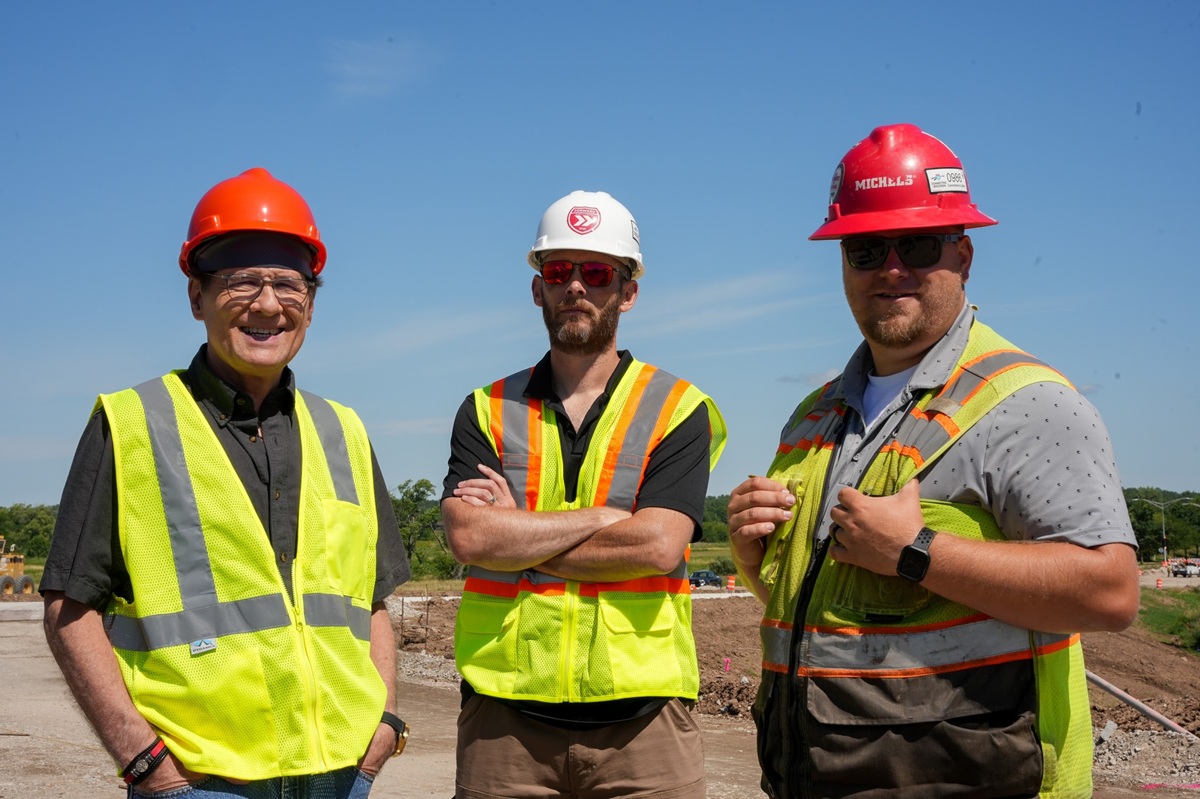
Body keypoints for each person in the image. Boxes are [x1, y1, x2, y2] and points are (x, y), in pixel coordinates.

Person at [727, 124, 1140, 799]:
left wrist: (915, 550)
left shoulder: (1028, 404)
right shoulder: (812, 417)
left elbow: (1112, 591)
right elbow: (829, 616)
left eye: (917, 246)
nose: (890, 269)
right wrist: (752, 556)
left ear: (964, 255)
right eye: (864, 249)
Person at [40, 167, 412, 798]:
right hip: (200, 781)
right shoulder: (132, 423)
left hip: (342, 775)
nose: (268, 304)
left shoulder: (342, 429)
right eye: (242, 281)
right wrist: (142, 760)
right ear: (196, 297)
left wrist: (383, 729)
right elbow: (69, 607)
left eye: (289, 284)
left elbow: (371, 599)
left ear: (312, 304)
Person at [442, 190, 727, 799]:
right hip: (504, 724)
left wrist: (518, 534)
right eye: (558, 272)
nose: (576, 287)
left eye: (596, 273)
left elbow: (655, 545)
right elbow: (470, 536)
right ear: (537, 288)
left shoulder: (678, 408)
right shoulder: (486, 408)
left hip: (645, 730)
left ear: (627, 292)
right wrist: (602, 519)